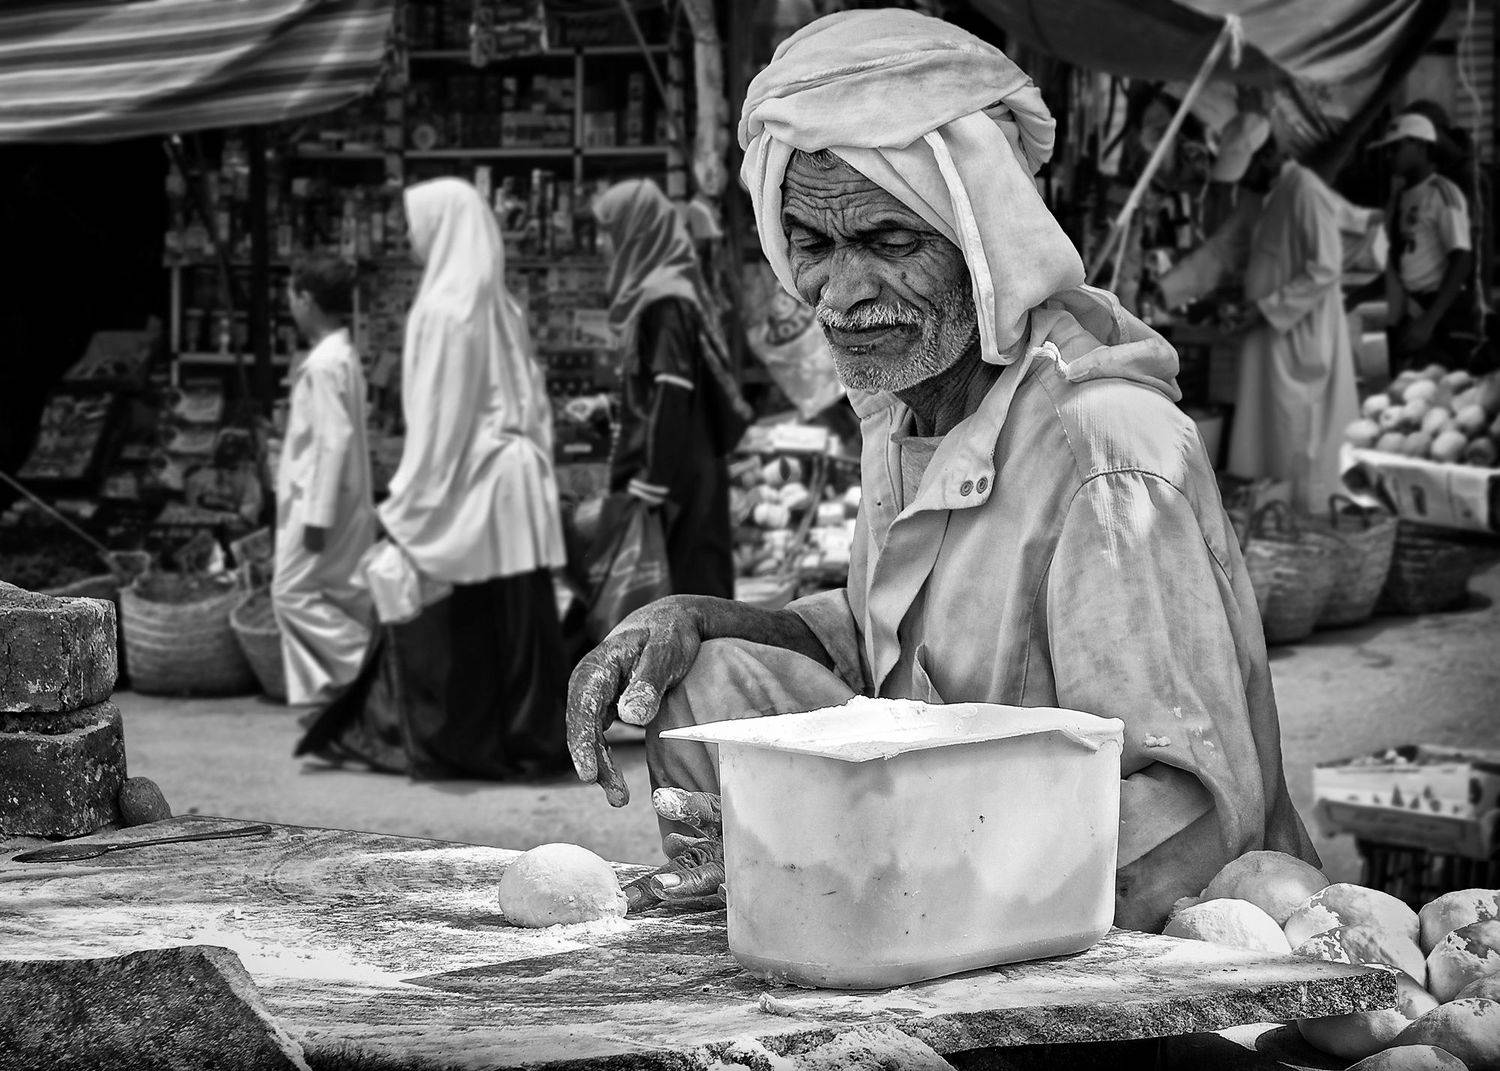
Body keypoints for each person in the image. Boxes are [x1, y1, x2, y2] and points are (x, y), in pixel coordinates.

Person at [565, 9, 1317, 933]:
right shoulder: (909, 411)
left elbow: (1185, 828)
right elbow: (884, 650)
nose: (839, 296)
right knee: (704, 683)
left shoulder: (1106, 451)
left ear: (984, 240)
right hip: (930, 872)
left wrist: (876, 879)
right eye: (812, 244)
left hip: (1083, 944)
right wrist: (691, 616)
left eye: (887, 242)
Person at [296, 178, 571, 780]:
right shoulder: (503, 306)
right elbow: (535, 405)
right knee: (521, 626)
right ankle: (537, 740)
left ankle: (459, 744)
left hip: (473, 486)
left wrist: (411, 499)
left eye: (418, 225)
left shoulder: (444, 312)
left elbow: (442, 421)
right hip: (517, 483)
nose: (413, 238)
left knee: (463, 625)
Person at [591, 179, 739, 600]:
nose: (603, 243)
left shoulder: (664, 299)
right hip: (685, 470)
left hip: (676, 481)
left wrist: (651, 484)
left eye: (609, 230)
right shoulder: (668, 289)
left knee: (678, 599)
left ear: (635, 231)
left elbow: (672, 392)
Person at [1216, 134, 1365, 514]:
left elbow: (1326, 266)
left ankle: (1304, 515)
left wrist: (1268, 308)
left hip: (1300, 336)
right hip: (1275, 336)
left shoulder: (1306, 192)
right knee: (1272, 432)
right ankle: (1275, 512)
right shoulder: (1274, 194)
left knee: (1298, 433)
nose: (1245, 183)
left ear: (1267, 155)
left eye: (1248, 171)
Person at [272, 255, 376, 705]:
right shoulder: (341, 357)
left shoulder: (323, 365)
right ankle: (352, 689)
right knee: (341, 591)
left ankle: (372, 675)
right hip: (342, 498)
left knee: (290, 592)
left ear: (306, 300)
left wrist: (317, 517)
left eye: (292, 297)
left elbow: (332, 441)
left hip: (322, 502)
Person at [1369, 112, 1477, 372]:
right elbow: (1399, 263)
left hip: (1439, 316)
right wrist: (1354, 299)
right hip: (1407, 313)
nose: (1388, 156)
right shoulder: (1400, 198)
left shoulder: (1442, 193)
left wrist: (1429, 320)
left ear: (1420, 145)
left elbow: (1461, 258)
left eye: (1395, 147)